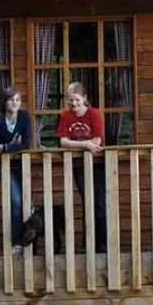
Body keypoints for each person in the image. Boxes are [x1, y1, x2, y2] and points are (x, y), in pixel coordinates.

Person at [57, 81, 109, 253]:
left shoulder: (94, 114)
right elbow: (63, 142)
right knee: (88, 203)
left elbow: (97, 141)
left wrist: (83, 144)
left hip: (98, 165)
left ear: (84, 98)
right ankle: (89, 244)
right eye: (71, 100)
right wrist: (85, 144)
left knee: (99, 204)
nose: (74, 104)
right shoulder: (66, 116)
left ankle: (103, 244)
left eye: (77, 100)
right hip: (79, 166)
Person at [0, 87, 35, 245]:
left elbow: (26, 143)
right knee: (15, 200)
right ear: (4, 102)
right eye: (11, 100)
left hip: (22, 164)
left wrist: (6, 147)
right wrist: (13, 144)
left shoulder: (24, 117)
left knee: (27, 202)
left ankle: (27, 242)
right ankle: (16, 242)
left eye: (17, 100)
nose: (14, 103)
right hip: (3, 165)